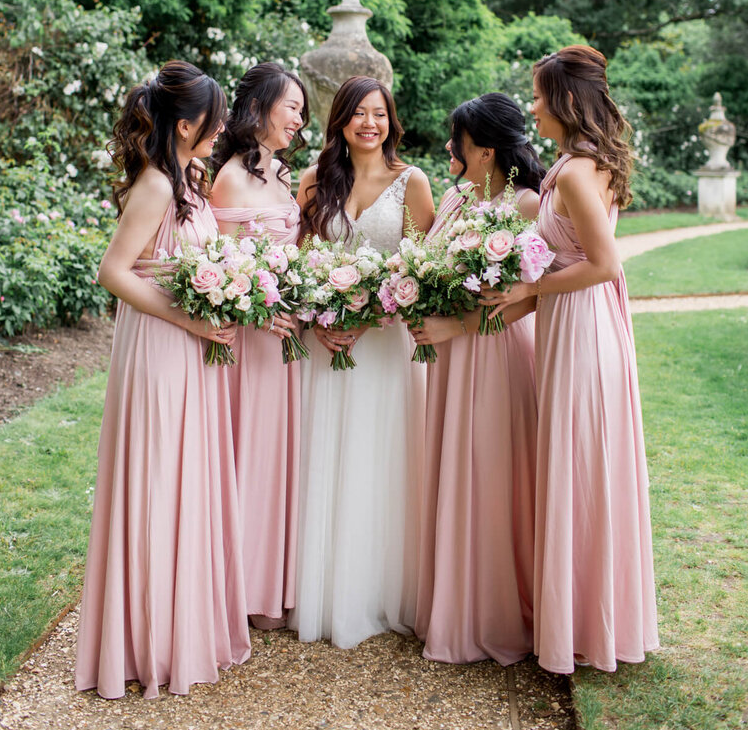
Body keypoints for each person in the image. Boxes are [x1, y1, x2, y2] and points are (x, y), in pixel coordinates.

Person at [75, 61, 250, 700]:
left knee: (188, 480)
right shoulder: (154, 184)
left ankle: (183, 627)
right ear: (185, 125)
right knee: (159, 479)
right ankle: (149, 639)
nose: (224, 126)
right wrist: (190, 320)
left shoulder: (191, 181)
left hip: (192, 344)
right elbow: (114, 271)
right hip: (160, 348)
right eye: (216, 118)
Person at [484, 45, 659, 673]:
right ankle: (581, 616)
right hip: (568, 323)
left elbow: (604, 264)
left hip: (584, 333)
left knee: (581, 465)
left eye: (537, 95)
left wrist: (529, 289)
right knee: (577, 466)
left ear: (563, 102)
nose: (531, 106)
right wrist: (520, 303)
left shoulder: (581, 173)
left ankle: (585, 623)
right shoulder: (573, 163)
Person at [289, 76, 435, 648]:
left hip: (382, 346)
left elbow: (421, 273)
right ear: (340, 121)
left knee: (381, 460)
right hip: (328, 347)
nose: (369, 124)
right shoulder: (313, 183)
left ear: (391, 121)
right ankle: (326, 591)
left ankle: (380, 593)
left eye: (378, 114)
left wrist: (370, 316)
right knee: (327, 456)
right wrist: (322, 319)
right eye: (358, 114)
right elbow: (300, 266)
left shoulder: (412, 182)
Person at [409, 93, 544, 664]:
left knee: (490, 474)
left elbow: (532, 297)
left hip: (491, 352)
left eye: (456, 140)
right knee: (452, 467)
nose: (447, 147)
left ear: (485, 151)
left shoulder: (528, 205)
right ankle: (451, 603)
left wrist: (454, 327)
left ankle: (492, 611)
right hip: (449, 357)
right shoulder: (456, 197)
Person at [209, 62, 307, 629]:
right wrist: (263, 311)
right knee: (247, 453)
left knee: (277, 456)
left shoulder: (280, 175)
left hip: (284, 339)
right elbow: (219, 268)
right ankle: (238, 588)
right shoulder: (228, 178)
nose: (298, 118)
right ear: (260, 108)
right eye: (291, 106)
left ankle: (269, 584)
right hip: (248, 340)